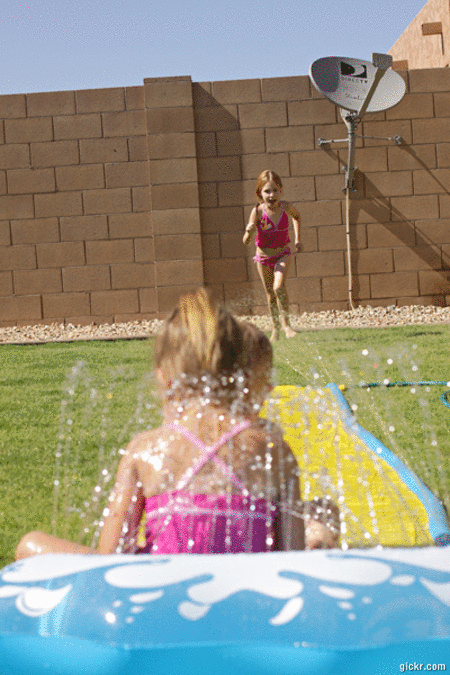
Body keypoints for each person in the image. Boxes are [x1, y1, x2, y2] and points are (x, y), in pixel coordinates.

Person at [16, 288, 309, 559]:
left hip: (164, 590)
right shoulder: (273, 450)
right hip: (243, 588)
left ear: (164, 378)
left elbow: (112, 558)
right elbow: (292, 557)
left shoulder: (144, 450)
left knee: (31, 544)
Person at [243, 170, 303, 343]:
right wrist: (249, 232)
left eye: (275, 190)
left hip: (282, 254)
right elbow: (246, 242)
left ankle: (287, 326)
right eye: (267, 191)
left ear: (281, 191)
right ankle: (276, 329)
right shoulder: (257, 211)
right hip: (263, 258)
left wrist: (298, 239)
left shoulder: (286, 207)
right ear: (260, 193)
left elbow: (297, 217)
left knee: (279, 287)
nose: (272, 195)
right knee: (270, 294)